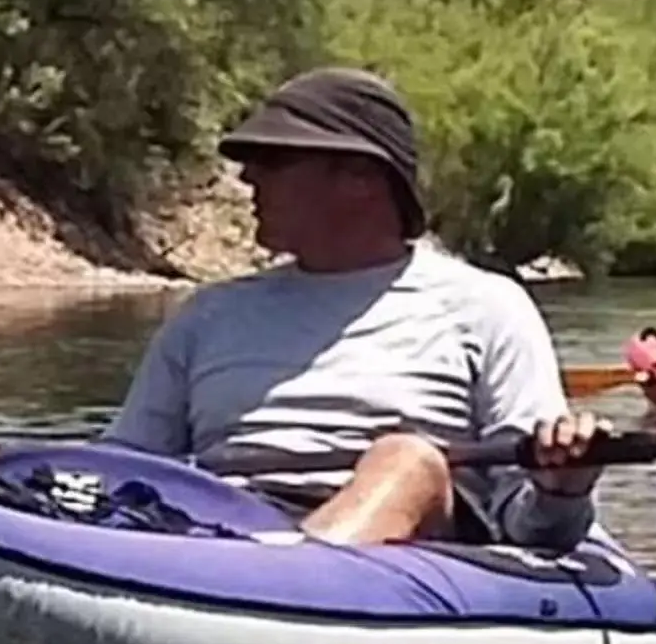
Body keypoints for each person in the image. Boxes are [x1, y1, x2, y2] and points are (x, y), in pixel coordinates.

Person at [104, 66, 604, 552]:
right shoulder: (207, 315)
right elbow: (119, 469)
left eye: (274, 160)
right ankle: (259, 585)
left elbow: (532, 529)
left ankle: (285, 585)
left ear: (361, 176)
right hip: (226, 531)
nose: (248, 176)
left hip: (405, 562)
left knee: (407, 459)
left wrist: (562, 489)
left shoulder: (486, 307)